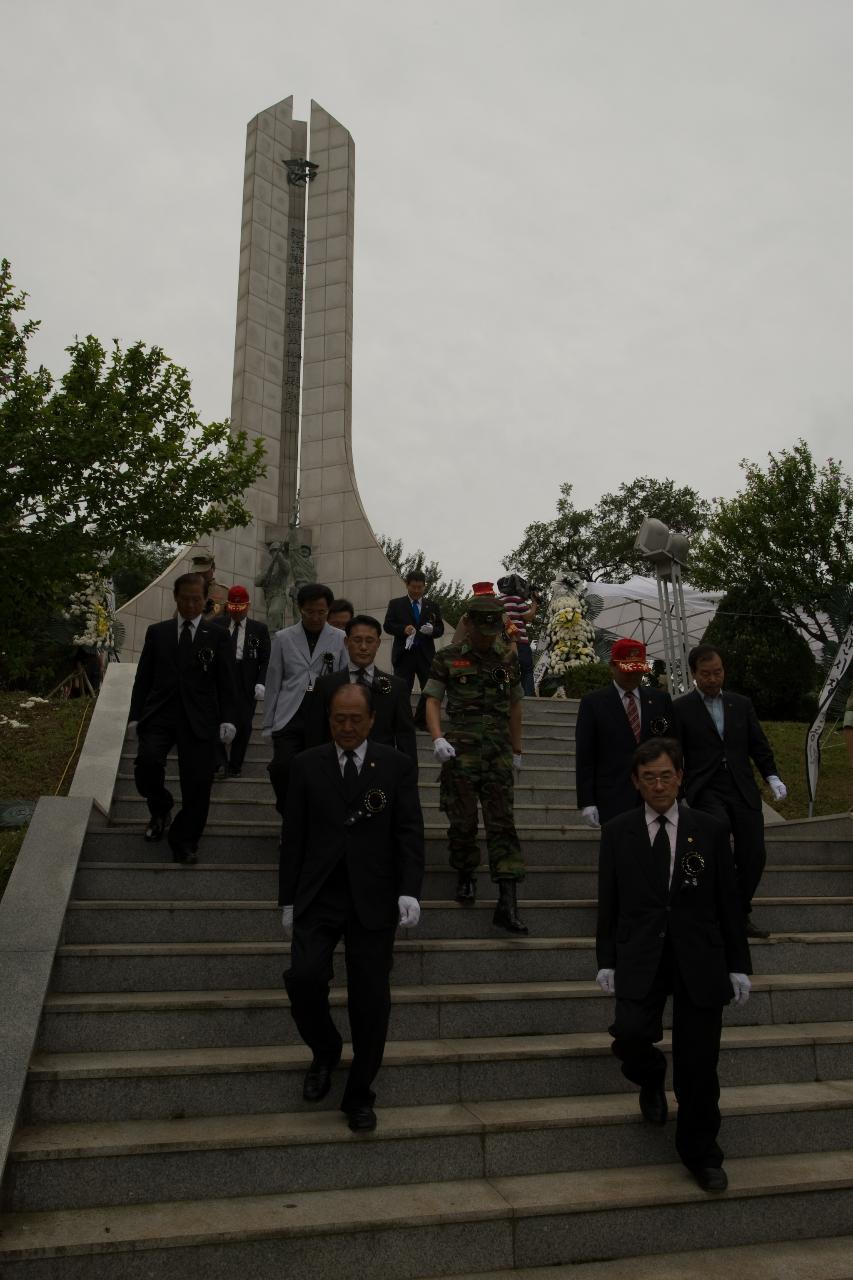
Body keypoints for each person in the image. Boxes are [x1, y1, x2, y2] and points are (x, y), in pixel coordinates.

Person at [596, 737, 751, 1193]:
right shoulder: (619, 831)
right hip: (640, 955)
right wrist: (606, 959)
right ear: (636, 783)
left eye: (666, 775)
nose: (659, 785)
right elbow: (609, 902)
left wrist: (738, 963)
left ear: (680, 777)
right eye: (649, 778)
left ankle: (702, 1154)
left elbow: (728, 902)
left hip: (698, 958)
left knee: (699, 1067)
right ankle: (650, 1075)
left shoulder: (710, 828)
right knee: (629, 1036)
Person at [280, 683, 424, 1132]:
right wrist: (287, 899)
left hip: (373, 898)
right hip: (319, 895)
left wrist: (409, 890)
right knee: (303, 978)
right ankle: (325, 1049)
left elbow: (408, 831)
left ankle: (359, 1092)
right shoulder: (306, 765)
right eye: (338, 719)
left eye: (354, 720)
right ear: (329, 719)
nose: (346, 727)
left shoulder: (396, 765)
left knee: (370, 1001)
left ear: (371, 720)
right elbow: (294, 837)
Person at [423, 594, 527, 933]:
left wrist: (517, 750)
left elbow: (515, 707)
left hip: (496, 753)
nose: (487, 637)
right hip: (461, 753)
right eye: (481, 630)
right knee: (462, 821)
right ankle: (465, 874)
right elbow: (433, 699)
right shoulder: (448, 658)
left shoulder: (507, 660)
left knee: (502, 825)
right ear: (468, 623)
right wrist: (438, 737)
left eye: (492, 630)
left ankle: (507, 901)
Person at [674, 644, 787, 940]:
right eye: (706, 674)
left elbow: (758, 744)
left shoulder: (741, 703)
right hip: (705, 787)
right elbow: (673, 752)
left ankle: (737, 912)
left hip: (741, 786)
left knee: (754, 853)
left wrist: (772, 776)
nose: (713, 679)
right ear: (694, 674)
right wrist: (678, 791)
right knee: (719, 835)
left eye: (718, 672)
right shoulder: (681, 708)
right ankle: (719, 911)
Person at [128, 573, 238, 864]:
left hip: (199, 719)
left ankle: (185, 840)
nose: (190, 604)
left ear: (205, 602)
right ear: (176, 598)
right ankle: (161, 806)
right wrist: (135, 716)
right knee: (147, 765)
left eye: (197, 599)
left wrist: (229, 719)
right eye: (185, 598)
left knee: (198, 784)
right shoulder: (158, 632)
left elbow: (226, 682)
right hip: (159, 715)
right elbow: (143, 679)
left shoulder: (217, 635)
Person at [263, 582, 348, 818]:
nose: (316, 617)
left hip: (323, 716)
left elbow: (345, 680)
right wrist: (268, 723)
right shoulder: (283, 638)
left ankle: (309, 821)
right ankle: (289, 812)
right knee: (281, 768)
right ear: (300, 609)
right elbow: (273, 683)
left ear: (328, 610)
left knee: (318, 773)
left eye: (321, 612)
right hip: (290, 714)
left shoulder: (340, 638)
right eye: (310, 611)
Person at [575, 638, 677, 828]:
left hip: (657, 793)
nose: (632, 676)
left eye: (637, 671)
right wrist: (587, 801)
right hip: (612, 796)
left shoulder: (660, 700)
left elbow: (673, 746)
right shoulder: (593, 704)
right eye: (627, 670)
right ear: (613, 666)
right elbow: (585, 755)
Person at [306, 614, 417, 765]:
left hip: (382, 772)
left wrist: (408, 782)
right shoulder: (325, 685)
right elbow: (315, 737)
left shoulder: (397, 687)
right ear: (346, 642)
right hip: (334, 771)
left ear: (378, 643)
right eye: (357, 640)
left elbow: (406, 740)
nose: (363, 647)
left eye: (369, 641)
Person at [211, 585, 271, 778]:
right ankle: (220, 762)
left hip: (246, 680)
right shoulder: (217, 625)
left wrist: (261, 682)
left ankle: (235, 765)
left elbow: (266, 659)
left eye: (241, 608)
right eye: (233, 608)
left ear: (248, 606)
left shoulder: (259, 629)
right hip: (222, 678)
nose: (237, 613)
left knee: (244, 724)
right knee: (218, 719)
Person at [383, 570, 445, 692]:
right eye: (413, 587)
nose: (416, 591)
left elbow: (440, 629)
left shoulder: (432, 606)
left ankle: (422, 712)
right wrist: (403, 629)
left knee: (429, 691)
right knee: (401, 691)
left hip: (426, 656)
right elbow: (387, 626)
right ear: (407, 585)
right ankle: (404, 712)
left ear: (424, 586)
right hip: (404, 656)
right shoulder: (396, 604)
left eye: (419, 587)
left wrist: (432, 630)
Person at [496, 572, 538, 696]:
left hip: (503, 641)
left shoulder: (498, 601)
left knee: (507, 668)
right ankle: (528, 696)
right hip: (521, 641)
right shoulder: (517, 599)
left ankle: (505, 694)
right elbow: (529, 617)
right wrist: (535, 603)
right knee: (527, 669)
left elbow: (518, 617)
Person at [190, 548, 228, 618]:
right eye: (198, 572)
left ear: (213, 568)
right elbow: (178, 618)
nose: (201, 574)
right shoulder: (189, 590)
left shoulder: (225, 592)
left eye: (204, 571)